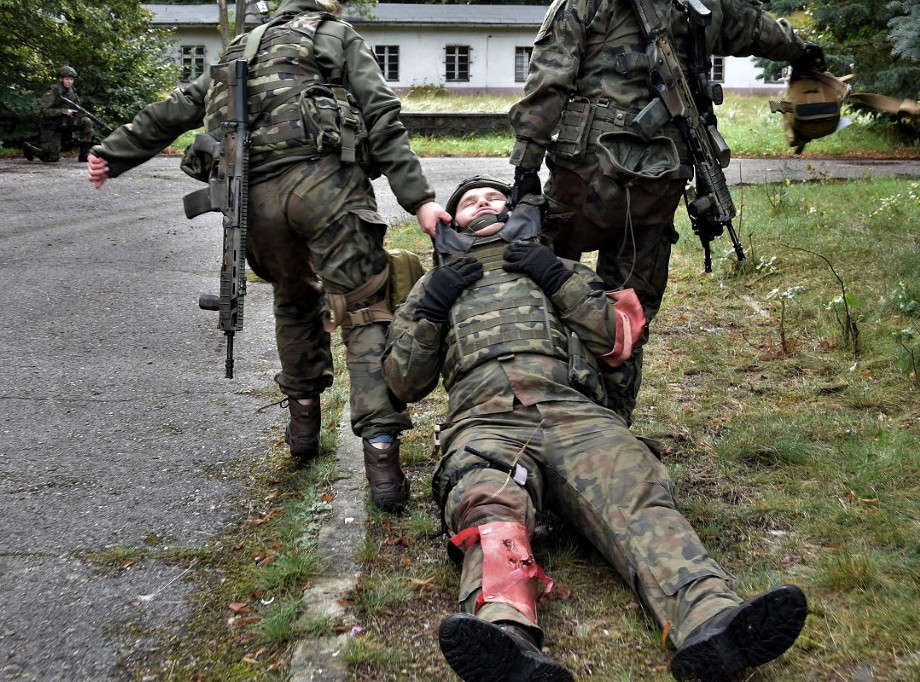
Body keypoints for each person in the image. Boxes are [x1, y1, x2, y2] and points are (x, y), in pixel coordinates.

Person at [382, 176, 807, 682]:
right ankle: (506, 634)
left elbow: (616, 339)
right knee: (487, 504)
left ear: (516, 212)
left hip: (572, 412)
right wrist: (433, 306)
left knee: (635, 489)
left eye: (495, 197)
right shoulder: (433, 289)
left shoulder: (558, 269)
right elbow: (404, 380)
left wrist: (555, 279)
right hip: (484, 421)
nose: (484, 205)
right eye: (470, 201)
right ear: (452, 223)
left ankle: (711, 617)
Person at [86, 0, 449, 512]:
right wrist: (420, 198)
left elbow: (174, 109)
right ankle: (382, 459)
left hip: (253, 200)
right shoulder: (333, 33)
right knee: (365, 305)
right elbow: (380, 113)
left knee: (293, 295)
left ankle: (303, 428)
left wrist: (112, 152)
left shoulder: (240, 48)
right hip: (325, 186)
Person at [507, 0, 824, 423]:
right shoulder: (705, 3)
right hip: (660, 176)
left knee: (550, 282)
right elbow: (754, 29)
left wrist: (526, 165)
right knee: (629, 307)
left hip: (586, 174)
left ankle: (541, 406)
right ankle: (611, 421)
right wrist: (802, 50)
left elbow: (550, 77)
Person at [23, 65, 94, 163]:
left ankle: (84, 154)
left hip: (64, 122)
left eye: (72, 79)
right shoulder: (52, 91)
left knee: (86, 121)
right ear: (61, 79)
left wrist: (80, 114)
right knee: (52, 158)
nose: (70, 82)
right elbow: (45, 111)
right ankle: (31, 149)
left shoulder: (72, 92)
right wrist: (64, 111)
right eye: (67, 79)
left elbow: (76, 107)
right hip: (50, 124)